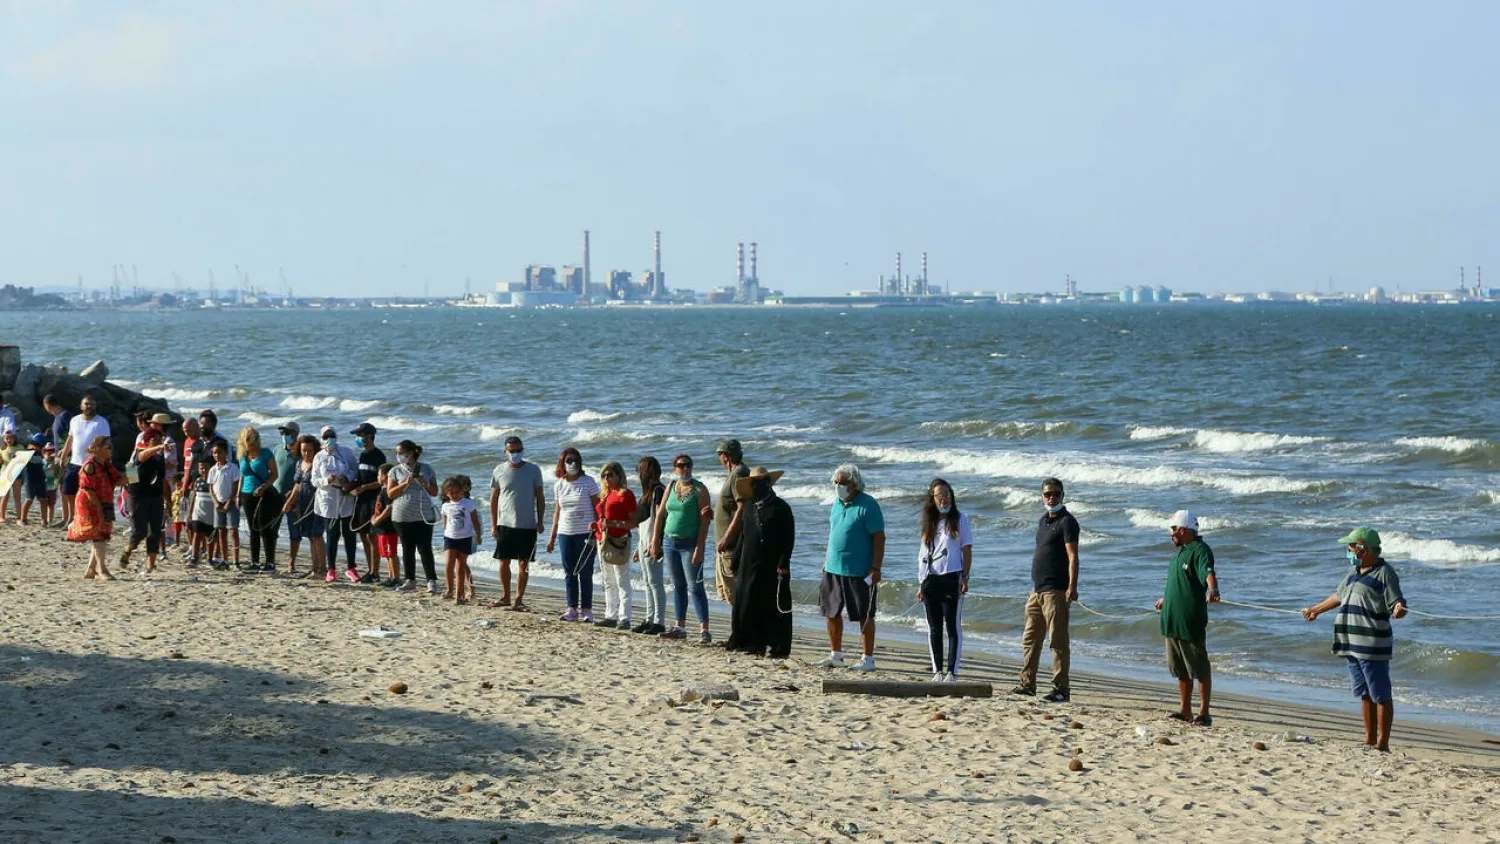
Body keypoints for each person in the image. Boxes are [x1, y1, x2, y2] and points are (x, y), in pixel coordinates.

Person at [1301, 527, 1408, 752]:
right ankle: (1369, 739)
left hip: (1372, 645)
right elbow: (1339, 596)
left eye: (1350, 547)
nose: (1347, 551)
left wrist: (1399, 609)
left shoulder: (1385, 573)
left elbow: (1396, 601)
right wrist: (1316, 610)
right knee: (1364, 693)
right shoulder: (1354, 571)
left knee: (1381, 694)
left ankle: (1383, 743)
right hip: (1351, 643)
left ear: (1362, 549)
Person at [1014, 477, 1080, 702]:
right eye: (1047, 494)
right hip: (1037, 591)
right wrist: (1034, 588)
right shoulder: (1043, 521)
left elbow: (1072, 556)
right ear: (1042, 496)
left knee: (1057, 642)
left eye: (1056, 494)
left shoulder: (1067, 522)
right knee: (1030, 638)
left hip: (1056, 590)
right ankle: (1027, 683)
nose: (1052, 498)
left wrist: (1072, 586)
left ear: (1063, 495)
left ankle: (1061, 689)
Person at [1154, 509, 1221, 726]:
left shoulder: (1200, 550)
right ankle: (1184, 710)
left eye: (1173, 529)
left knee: (1199, 668)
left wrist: (1213, 589)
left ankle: (1204, 712)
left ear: (1183, 530)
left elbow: (1207, 572)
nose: (1171, 534)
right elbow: (1179, 582)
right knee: (1180, 669)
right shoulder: (1179, 553)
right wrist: (1165, 599)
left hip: (1190, 619)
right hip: (1171, 619)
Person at [817, 463, 885, 671]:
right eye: (836, 482)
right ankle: (836, 655)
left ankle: (868, 659)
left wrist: (876, 567)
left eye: (842, 483)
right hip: (833, 567)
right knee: (831, 612)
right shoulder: (837, 503)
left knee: (864, 614)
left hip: (859, 570)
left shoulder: (868, 505)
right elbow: (833, 534)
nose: (838, 486)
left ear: (854, 484)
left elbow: (879, 537)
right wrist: (826, 560)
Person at [725, 467, 795, 659]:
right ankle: (748, 642)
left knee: (772, 605)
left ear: (768, 484)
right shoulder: (749, 506)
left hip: (772, 564)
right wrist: (736, 558)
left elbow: (788, 539)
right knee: (746, 600)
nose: (759, 486)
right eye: (755, 483)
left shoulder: (781, 508)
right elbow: (743, 535)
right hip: (749, 561)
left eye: (763, 482)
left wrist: (783, 562)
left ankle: (777, 646)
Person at [650, 453, 713, 642]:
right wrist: (655, 540)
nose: (685, 468)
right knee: (678, 585)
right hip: (670, 542)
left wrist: (700, 547)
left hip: (690, 543)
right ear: (675, 468)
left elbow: (705, 522)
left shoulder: (699, 490)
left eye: (688, 465)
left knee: (695, 586)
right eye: (681, 465)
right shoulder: (670, 486)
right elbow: (661, 515)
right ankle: (680, 626)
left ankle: (704, 629)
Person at [917, 478, 973, 683]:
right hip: (931, 579)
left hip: (952, 577)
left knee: (952, 626)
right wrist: (921, 582)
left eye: (947, 494)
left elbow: (967, 550)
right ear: (933, 498)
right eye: (940, 495)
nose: (944, 498)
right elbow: (923, 553)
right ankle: (937, 671)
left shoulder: (960, 519)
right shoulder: (929, 522)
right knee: (934, 628)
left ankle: (952, 671)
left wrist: (965, 577)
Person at [488, 435, 545, 611]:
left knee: (523, 563)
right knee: (503, 561)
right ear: (506, 452)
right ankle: (505, 596)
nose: (516, 453)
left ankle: (519, 599)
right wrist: (493, 524)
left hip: (527, 524)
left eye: (519, 450)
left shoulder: (534, 470)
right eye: (512, 451)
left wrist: (540, 520)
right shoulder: (499, 470)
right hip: (505, 523)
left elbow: (540, 497)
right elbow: (494, 499)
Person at [547, 447, 602, 623]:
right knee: (569, 572)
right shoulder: (559, 485)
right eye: (569, 461)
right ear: (563, 463)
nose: (573, 464)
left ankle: (587, 609)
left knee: (585, 572)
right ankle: (571, 608)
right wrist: (552, 537)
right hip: (565, 532)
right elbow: (557, 512)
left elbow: (597, 508)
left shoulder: (589, 482)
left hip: (585, 533)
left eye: (576, 460)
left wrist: (597, 531)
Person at [119, 413, 171, 572]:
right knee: (139, 531)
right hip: (137, 495)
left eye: (160, 438)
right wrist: (156, 447)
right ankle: (127, 551)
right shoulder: (141, 449)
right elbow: (139, 458)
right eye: (155, 439)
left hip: (155, 495)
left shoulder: (160, 455)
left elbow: (162, 479)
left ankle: (151, 563)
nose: (160, 440)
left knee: (155, 530)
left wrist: (167, 499)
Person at [386, 439, 439, 593]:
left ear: (411, 454)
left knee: (425, 548)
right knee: (407, 548)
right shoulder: (395, 471)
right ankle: (410, 580)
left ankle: (431, 580)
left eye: (401, 453)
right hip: (402, 515)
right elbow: (390, 493)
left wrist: (424, 483)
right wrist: (406, 483)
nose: (398, 456)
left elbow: (434, 492)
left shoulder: (427, 469)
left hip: (424, 514)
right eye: (397, 453)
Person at [69, 436, 124, 580]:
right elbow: (87, 489)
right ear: (98, 449)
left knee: (101, 534)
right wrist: (99, 508)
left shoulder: (106, 464)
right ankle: (101, 569)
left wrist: (135, 469)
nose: (111, 448)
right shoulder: (90, 465)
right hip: (90, 502)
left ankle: (91, 570)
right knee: (99, 535)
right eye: (108, 446)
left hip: (104, 500)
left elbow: (119, 480)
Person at [312, 425, 359, 583]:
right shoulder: (319, 456)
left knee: (349, 534)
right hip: (328, 498)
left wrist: (347, 478)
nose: (329, 439)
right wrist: (327, 480)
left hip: (345, 497)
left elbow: (355, 470)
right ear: (322, 438)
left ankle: (351, 568)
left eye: (332, 436)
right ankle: (331, 569)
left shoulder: (345, 452)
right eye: (326, 436)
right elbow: (314, 480)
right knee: (332, 534)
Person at [595, 461, 638, 629]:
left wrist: (613, 523)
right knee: (608, 580)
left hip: (619, 540)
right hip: (603, 539)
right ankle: (610, 614)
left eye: (610, 475)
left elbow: (633, 522)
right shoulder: (606, 494)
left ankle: (624, 617)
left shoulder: (625, 494)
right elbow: (601, 517)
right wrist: (597, 526)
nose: (606, 478)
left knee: (622, 580)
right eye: (604, 475)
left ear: (619, 476)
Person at [630, 457, 668, 635]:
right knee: (647, 582)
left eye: (640, 470)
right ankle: (649, 617)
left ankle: (659, 621)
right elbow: (643, 523)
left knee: (655, 582)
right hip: (644, 539)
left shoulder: (658, 491)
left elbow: (659, 519)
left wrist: (655, 542)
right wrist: (639, 546)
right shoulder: (646, 493)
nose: (638, 474)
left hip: (652, 540)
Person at [280, 434, 326, 576]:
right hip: (303, 503)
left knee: (317, 535)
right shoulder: (300, 464)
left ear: (315, 450)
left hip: (317, 503)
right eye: (303, 450)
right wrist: (289, 502)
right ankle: (315, 567)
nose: (306, 453)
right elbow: (297, 485)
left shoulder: (320, 463)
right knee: (309, 536)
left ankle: (323, 568)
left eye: (309, 450)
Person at [61, 393, 111, 525]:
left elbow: (107, 443)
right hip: (75, 462)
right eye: (87, 404)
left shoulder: (101, 422)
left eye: (92, 404)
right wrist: (64, 456)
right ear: (81, 406)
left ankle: (90, 518)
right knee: (68, 490)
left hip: (92, 465)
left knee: (91, 494)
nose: (89, 406)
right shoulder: (74, 420)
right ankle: (74, 516)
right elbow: (70, 439)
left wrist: (105, 460)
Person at [713, 438, 750, 606]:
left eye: (720, 454)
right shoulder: (733, 473)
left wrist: (727, 538)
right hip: (725, 544)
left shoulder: (739, 473)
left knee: (734, 592)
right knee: (728, 592)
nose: (719, 457)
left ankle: (743, 630)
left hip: (731, 545)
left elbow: (741, 508)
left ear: (726, 456)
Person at [237, 426, 280, 573]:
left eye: (254, 442)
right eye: (248, 442)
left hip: (263, 494)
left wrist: (263, 487)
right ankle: (254, 562)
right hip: (247, 494)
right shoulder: (243, 456)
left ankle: (270, 562)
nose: (252, 445)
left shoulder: (266, 454)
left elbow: (275, 475)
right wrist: (238, 495)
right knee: (252, 529)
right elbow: (242, 476)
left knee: (264, 528)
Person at [349, 422, 387, 582]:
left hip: (373, 499)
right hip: (361, 499)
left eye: (360, 435)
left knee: (372, 536)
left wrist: (364, 487)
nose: (358, 438)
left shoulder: (378, 456)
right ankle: (370, 569)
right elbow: (360, 477)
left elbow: (382, 481)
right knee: (363, 534)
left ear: (369, 436)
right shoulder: (363, 455)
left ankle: (375, 572)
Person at [440, 475, 481, 604]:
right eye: (451, 493)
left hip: (465, 538)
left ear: (462, 491)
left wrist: (478, 535)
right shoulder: (446, 506)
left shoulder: (469, 504)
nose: (455, 495)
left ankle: (460, 595)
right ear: (446, 493)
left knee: (461, 566)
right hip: (450, 538)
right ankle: (449, 589)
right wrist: (445, 531)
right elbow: (445, 521)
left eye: (457, 492)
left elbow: (475, 521)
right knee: (448, 564)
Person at [207, 441, 242, 568]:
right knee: (221, 531)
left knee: (233, 530)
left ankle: (236, 560)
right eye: (214, 453)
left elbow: (236, 485)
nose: (216, 455)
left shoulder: (233, 468)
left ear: (225, 453)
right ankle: (225, 559)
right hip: (218, 503)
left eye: (219, 452)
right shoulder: (212, 469)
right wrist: (215, 501)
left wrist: (229, 501)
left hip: (231, 502)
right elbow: (211, 488)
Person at [42, 394, 74, 525]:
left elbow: (72, 435)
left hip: (67, 456)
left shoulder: (65, 415)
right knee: (61, 487)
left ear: (47, 405)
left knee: (68, 488)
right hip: (58, 456)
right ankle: (65, 518)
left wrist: (65, 451)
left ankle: (71, 518)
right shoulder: (56, 418)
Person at [273, 422, 301, 559]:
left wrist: (294, 492)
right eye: (282, 433)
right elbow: (271, 470)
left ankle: (292, 562)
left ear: (295, 434)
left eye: (287, 433)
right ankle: (270, 559)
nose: (284, 436)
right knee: (272, 529)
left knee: (294, 531)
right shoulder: (277, 449)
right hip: (275, 495)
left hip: (294, 497)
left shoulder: (301, 451)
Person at [370, 465, 400, 586]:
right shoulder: (383, 489)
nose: (377, 477)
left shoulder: (388, 490)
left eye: (379, 474)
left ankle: (395, 578)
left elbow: (389, 508)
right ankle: (390, 575)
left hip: (388, 528)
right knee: (387, 554)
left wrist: (378, 520)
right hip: (382, 528)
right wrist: (375, 518)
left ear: (386, 476)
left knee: (391, 553)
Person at [20, 435, 55, 527]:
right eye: (34, 445)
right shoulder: (28, 453)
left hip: (41, 480)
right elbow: (18, 460)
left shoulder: (41, 454)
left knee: (44, 500)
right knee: (29, 500)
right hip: (30, 480)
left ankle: (44, 520)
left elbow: (49, 457)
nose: (37, 447)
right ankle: (23, 519)